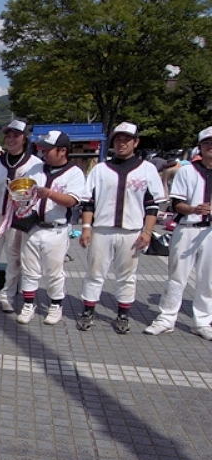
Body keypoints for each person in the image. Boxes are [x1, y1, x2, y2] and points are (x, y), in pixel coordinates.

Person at [77, 122, 165, 333]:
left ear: (136, 142)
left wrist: (147, 232)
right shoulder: (100, 169)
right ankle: (88, 311)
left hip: (132, 231)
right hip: (102, 229)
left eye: (127, 139)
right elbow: (88, 202)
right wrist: (86, 227)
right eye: (118, 139)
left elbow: (152, 205)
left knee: (127, 275)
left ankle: (123, 314)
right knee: (94, 272)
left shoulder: (147, 169)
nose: (122, 143)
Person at [145, 126, 212, 340]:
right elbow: (176, 204)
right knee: (176, 277)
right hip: (187, 229)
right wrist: (194, 209)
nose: (210, 147)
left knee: (208, 279)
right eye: (207, 143)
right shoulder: (187, 171)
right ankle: (166, 318)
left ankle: (203, 321)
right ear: (200, 147)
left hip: (210, 231)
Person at [17, 131, 85, 325]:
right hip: (32, 226)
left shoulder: (74, 172)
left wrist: (49, 194)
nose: (43, 153)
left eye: (48, 149)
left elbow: (72, 200)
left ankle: (56, 305)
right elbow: (24, 192)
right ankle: (28, 304)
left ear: (62, 151)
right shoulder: (36, 168)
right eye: (42, 149)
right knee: (29, 269)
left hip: (56, 229)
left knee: (54, 271)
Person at [0, 120, 43, 313]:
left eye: (16, 136)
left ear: (24, 138)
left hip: (19, 218)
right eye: (8, 136)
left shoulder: (35, 164)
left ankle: (7, 296)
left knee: (14, 261)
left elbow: (38, 193)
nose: (11, 139)